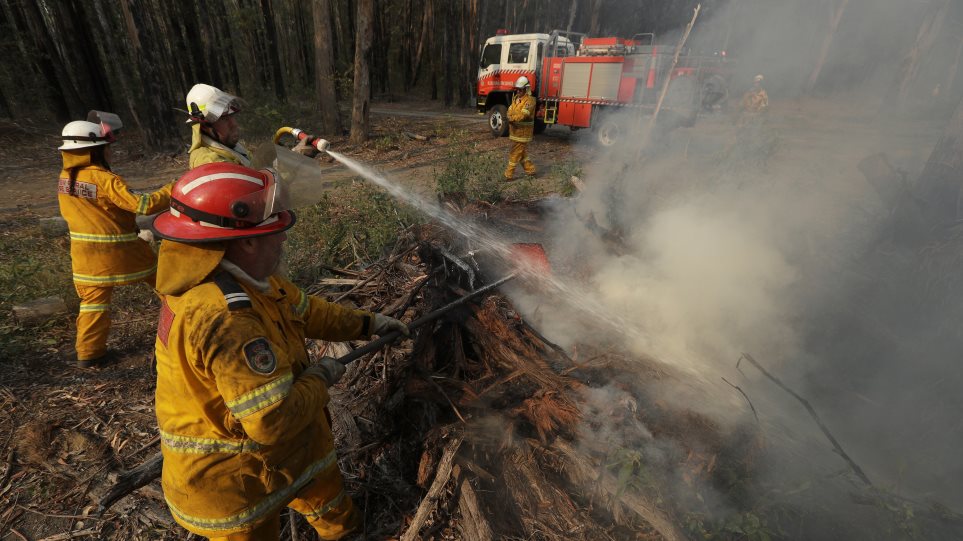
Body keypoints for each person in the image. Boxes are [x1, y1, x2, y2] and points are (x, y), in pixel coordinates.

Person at [150, 162, 409, 540]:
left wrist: (369, 323)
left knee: (335, 512)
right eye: (276, 232)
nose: (284, 240)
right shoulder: (225, 316)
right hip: (235, 484)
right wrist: (320, 379)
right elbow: (272, 422)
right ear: (247, 241)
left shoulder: (241, 279)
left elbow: (305, 309)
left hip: (286, 456)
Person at [57, 111, 173, 368]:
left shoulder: (65, 179)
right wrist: (173, 188)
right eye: (106, 147)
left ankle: (89, 353)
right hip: (122, 252)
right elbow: (143, 204)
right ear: (94, 151)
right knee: (167, 285)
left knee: (92, 304)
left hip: (84, 259)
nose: (110, 152)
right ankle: (183, 329)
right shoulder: (104, 179)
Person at [184, 83, 252, 168]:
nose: (234, 124)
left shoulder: (232, 147)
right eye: (224, 119)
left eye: (231, 116)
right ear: (205, 127)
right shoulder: (208, 161)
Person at [504, 76, 537, 181]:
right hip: (515, 133)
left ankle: (508, 175)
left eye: (520, 89)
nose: (518, 91)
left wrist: (511, 118)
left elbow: (523, 115)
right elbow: (509, 111)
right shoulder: (515, 99)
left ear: (526, 89)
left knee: (514, 153)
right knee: (522, 154)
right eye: (517, 89)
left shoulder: (530, 101)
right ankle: (530, 170)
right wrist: (510, 116)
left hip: (523, 134)